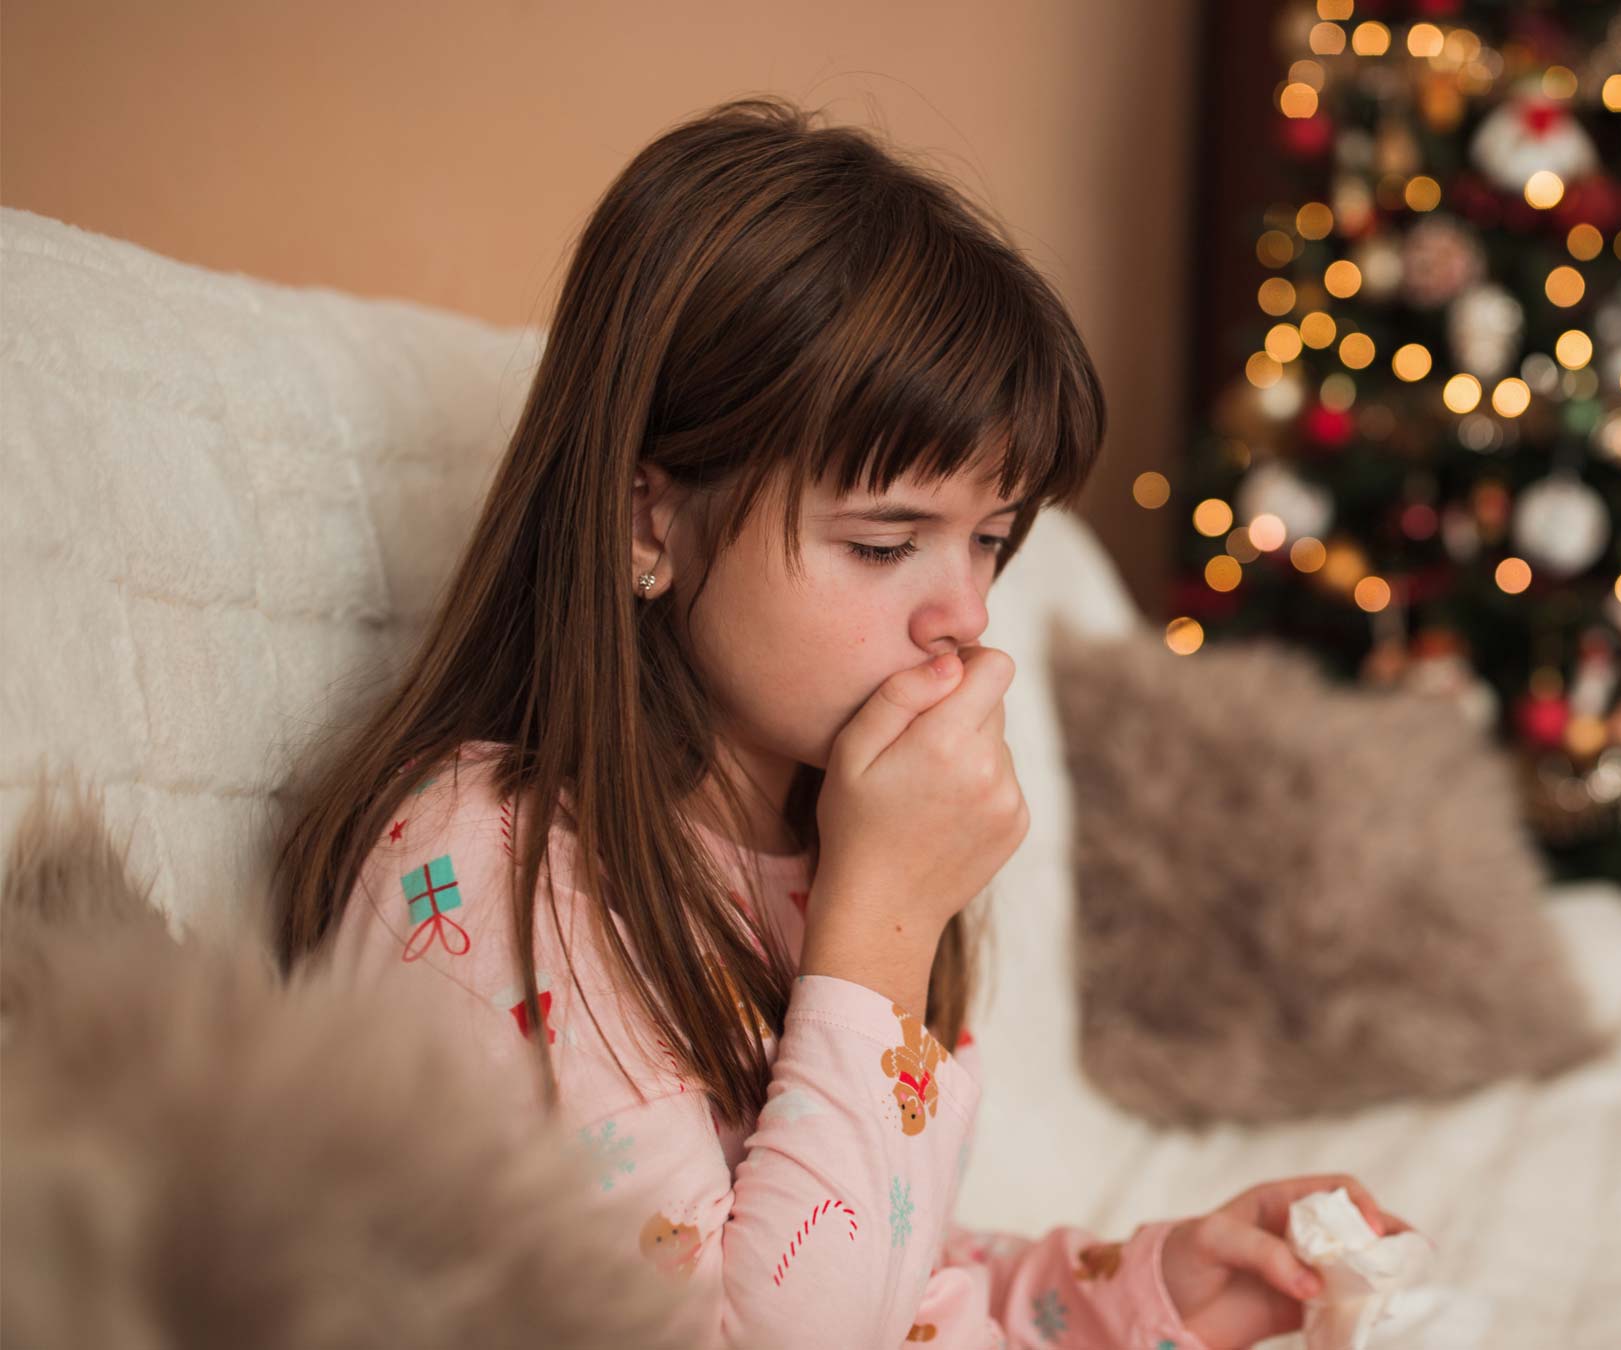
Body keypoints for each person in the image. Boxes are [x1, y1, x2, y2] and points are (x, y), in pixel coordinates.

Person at [271, 95, 1409, 1350]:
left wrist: (1140, 1290)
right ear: (647, 520)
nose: (965, 615)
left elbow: (877, 1265)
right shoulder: (497, 869)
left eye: (989, 542)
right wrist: (884, 927)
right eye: (882, 542)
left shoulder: (819, 830)